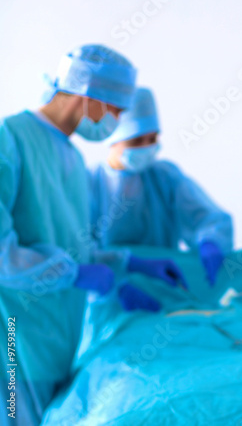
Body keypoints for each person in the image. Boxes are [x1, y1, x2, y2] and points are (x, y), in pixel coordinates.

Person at [0, 45, 186, 425]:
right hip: (16, 336)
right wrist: (73, 274)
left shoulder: (69, 156)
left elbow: (72, 246)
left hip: (56, 335)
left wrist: (128, 264)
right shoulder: (10, 139)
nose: (117, 121)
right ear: (90, 97)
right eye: (116, 110)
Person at [90, 86, 234, 287]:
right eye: (137, 140)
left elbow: (208, 218)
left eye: (153, 138)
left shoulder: (165, 177)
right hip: (112, 292)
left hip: (166, 285)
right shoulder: (91, 184)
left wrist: (211, 241)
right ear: (112, 138)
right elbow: (82, 251)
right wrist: (117, 286)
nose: (147, 147)